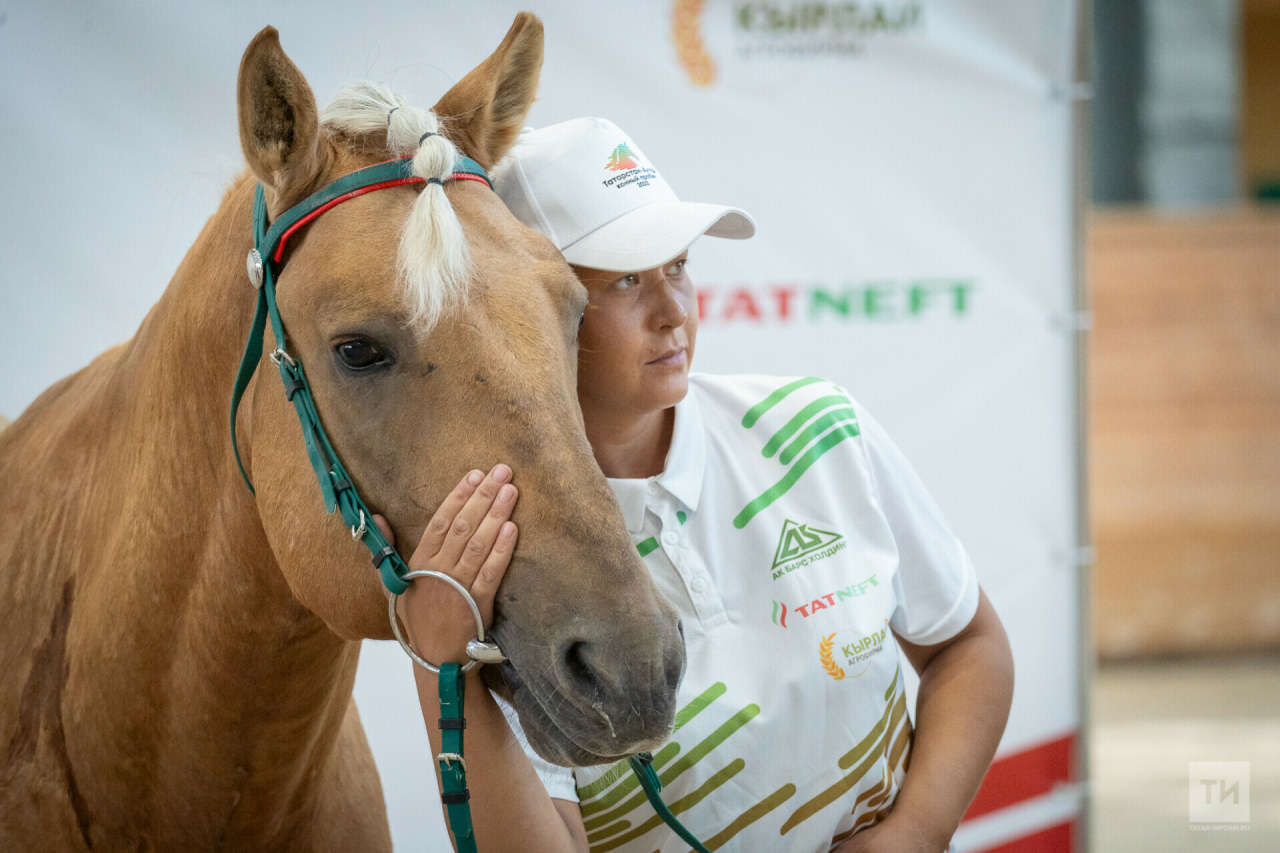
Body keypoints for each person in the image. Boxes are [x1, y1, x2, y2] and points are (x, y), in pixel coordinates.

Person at [375, 118, 1015, 853]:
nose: (674, 309)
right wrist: (439, 665)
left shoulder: (820, 429)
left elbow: (969, 645)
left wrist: (912, 833)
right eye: (625, 278)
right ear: (532, 311)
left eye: (678, 265)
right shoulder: (498, 550)